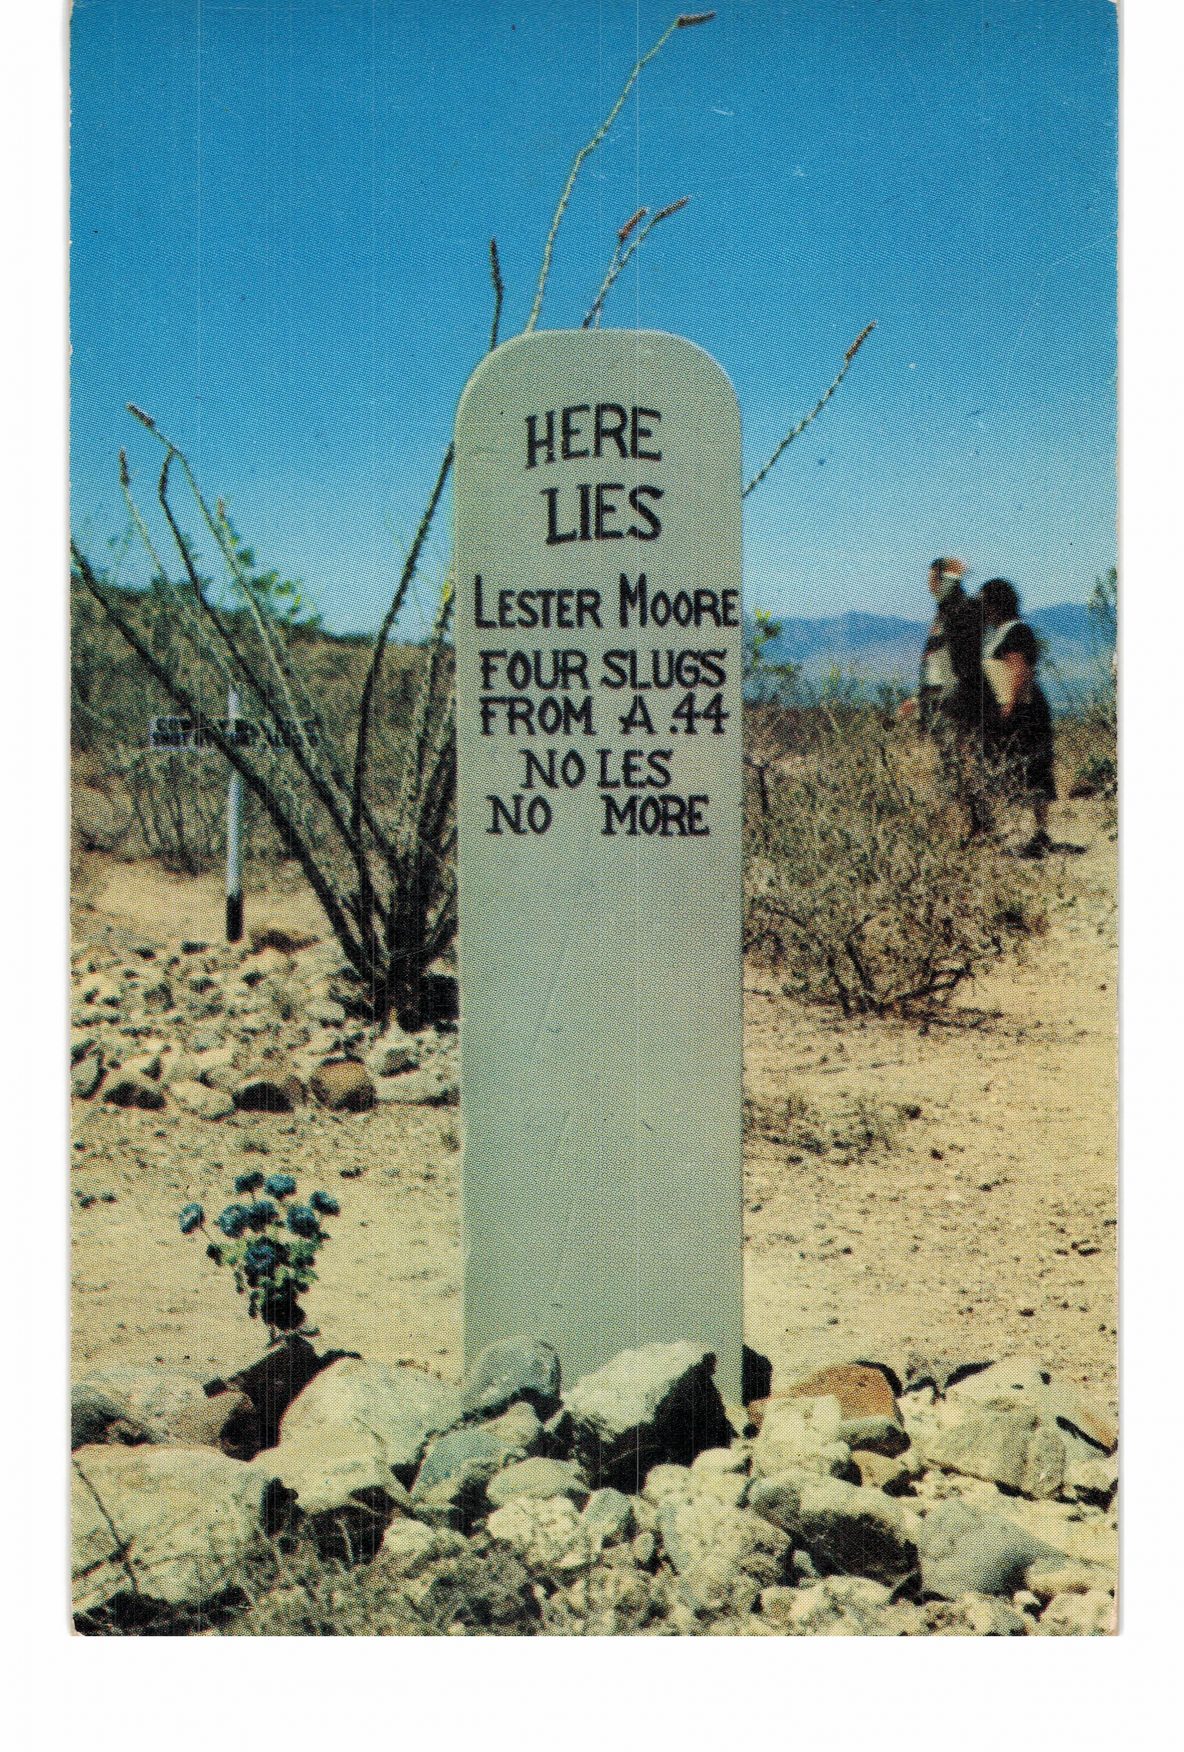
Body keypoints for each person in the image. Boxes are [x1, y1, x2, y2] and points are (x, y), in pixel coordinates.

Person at [900, 557, 989, 833]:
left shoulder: (961, 611)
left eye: (933, 580)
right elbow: (937, 662)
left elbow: (963, 665)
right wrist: (919, 698)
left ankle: (978, 824)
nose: (930, 586)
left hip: (957, 703)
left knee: (965, 761)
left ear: (944, 580)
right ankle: (968, 824)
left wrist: (951, 700)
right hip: (942, 702)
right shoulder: (947, 613)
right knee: (952, 763)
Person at [977, 576, 1056, 856]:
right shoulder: (996, 635)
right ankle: (1019, 832)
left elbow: (1019, 669)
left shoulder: (1016, 632)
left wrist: (1009, 706)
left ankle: (1038, 833)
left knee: (1032, 769)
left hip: (1023, 711)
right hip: (1006, 710)